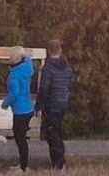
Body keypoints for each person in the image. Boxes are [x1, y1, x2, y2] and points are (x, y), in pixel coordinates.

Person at [34, 38, 74, 171]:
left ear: (48, 50)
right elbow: (69, 82)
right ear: (60, 50)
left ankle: (59, 163)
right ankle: (59, 161)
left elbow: (44, 89)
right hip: (63, 102)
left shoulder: (48, 68)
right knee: (58, 131)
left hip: (51, 104)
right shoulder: (67, 66)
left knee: (52, 134)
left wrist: (38, 106)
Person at [1, 45, 35, 172]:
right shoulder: (27, 67)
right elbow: (28, 57)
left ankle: (24, 167)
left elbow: (13, 94)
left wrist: (4, 104)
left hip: (20, 110)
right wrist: (24, 54)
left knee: (20, 139)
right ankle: (23, 164)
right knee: (21, 138)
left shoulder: (14, 74)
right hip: (28, 107)